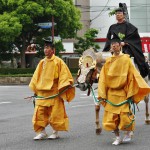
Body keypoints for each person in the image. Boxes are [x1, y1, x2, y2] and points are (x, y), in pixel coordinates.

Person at [98, 39, 150, 145]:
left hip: (122, 93)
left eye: (116, 45)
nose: (114, 47)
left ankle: (128, 132)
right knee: (111, 118)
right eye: (112, 45)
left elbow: (132, 76)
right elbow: (103, 79)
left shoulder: (126, 60)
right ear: (111, 47)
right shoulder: (108, 61)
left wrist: (130, 93)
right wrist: (102, 94)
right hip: (111, 94)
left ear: (120, 46)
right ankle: (117, 137)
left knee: (125, 118)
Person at [29, 38, 75, 140]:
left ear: (53, 50)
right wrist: (35, 90)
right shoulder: (42, 62)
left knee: (55, 113)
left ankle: (55, 132)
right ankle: (42, 132)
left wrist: (63, 87)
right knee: (39, 113)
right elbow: (36, 77)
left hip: (54, 92)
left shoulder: (59, 61)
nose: (45, 50)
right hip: (42, 93)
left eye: (48, 48)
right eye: (45, 48)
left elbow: (64, 76)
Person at [103, 7, 149, 78]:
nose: (118, 15)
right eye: (116, 14)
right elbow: (109, 39)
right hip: (114, 49)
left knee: (127, 57)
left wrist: (124, 43)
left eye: (119, 13)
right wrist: (109, 47)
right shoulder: (112, 27)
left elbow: (134, 38)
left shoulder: (130, 27)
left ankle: (134, 75)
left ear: (123, 15)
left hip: (127, 49)